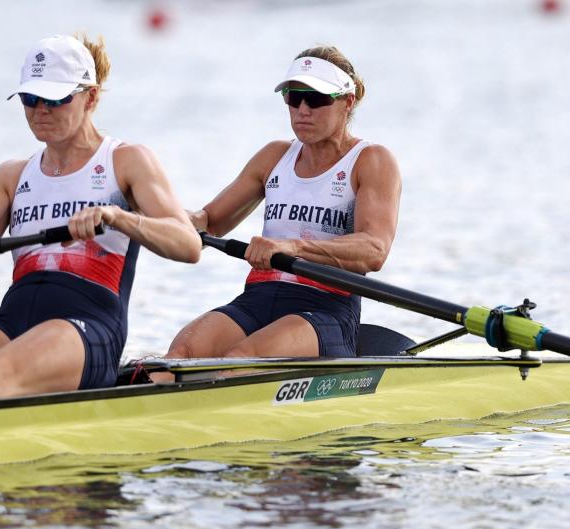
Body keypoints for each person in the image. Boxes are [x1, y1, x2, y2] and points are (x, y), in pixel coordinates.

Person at [0, 34, 201, 402]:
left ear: (91, 97)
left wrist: (117, 217)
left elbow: (189, 245)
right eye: (30, 98)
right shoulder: (11, 175)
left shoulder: (126, 161)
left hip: (89, 330)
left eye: (55, 98)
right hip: (12, 321)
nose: (41, 109)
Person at [162, 46, 401, 367]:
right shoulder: (274, 157)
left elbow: (375, 250)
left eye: (315, 99)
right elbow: (209, 222)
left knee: (240, 359)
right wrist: (161, 216)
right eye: (293, 97)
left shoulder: (370, 161)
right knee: (180, 356)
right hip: (258, 300)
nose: (302, 109)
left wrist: (291, 246)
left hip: (325, 308)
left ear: (348, 101)